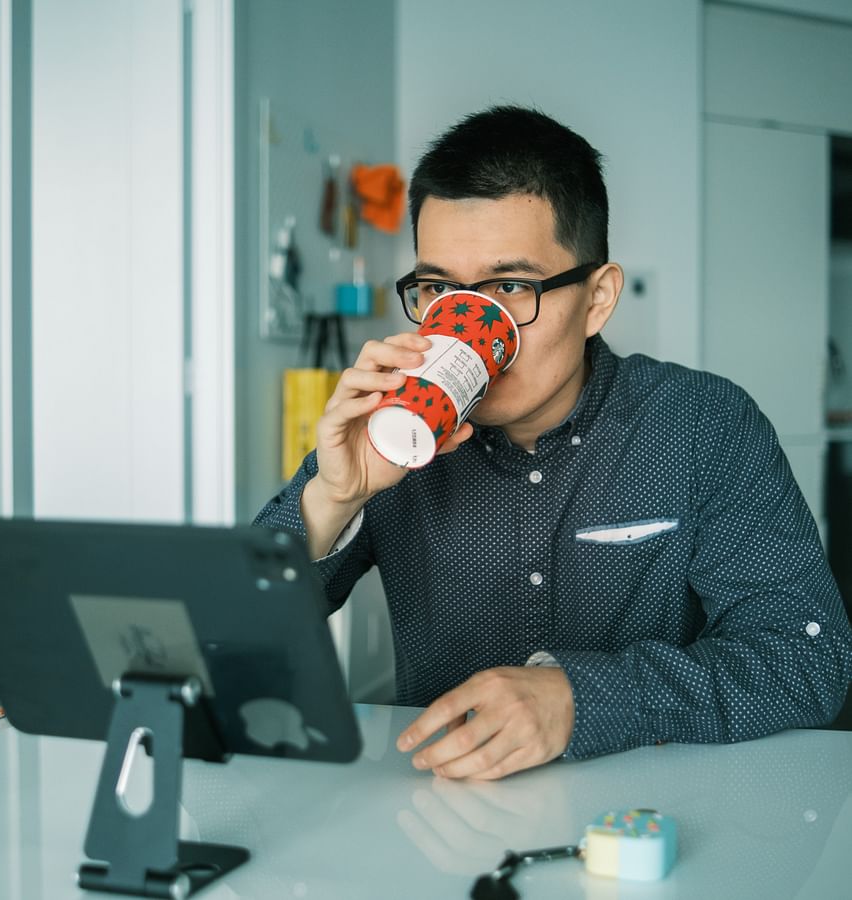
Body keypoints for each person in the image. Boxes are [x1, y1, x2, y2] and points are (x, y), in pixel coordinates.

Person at [256, 105, 852, 779]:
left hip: (656, 819)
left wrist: (583, 699)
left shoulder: (702, 424)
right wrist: (335, 497)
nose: (468, 329)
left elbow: (808, 657)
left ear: (597, 299)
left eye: (510, 286)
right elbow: (235, 641)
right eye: (439, 289)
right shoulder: (396, 434)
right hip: (442, 816)